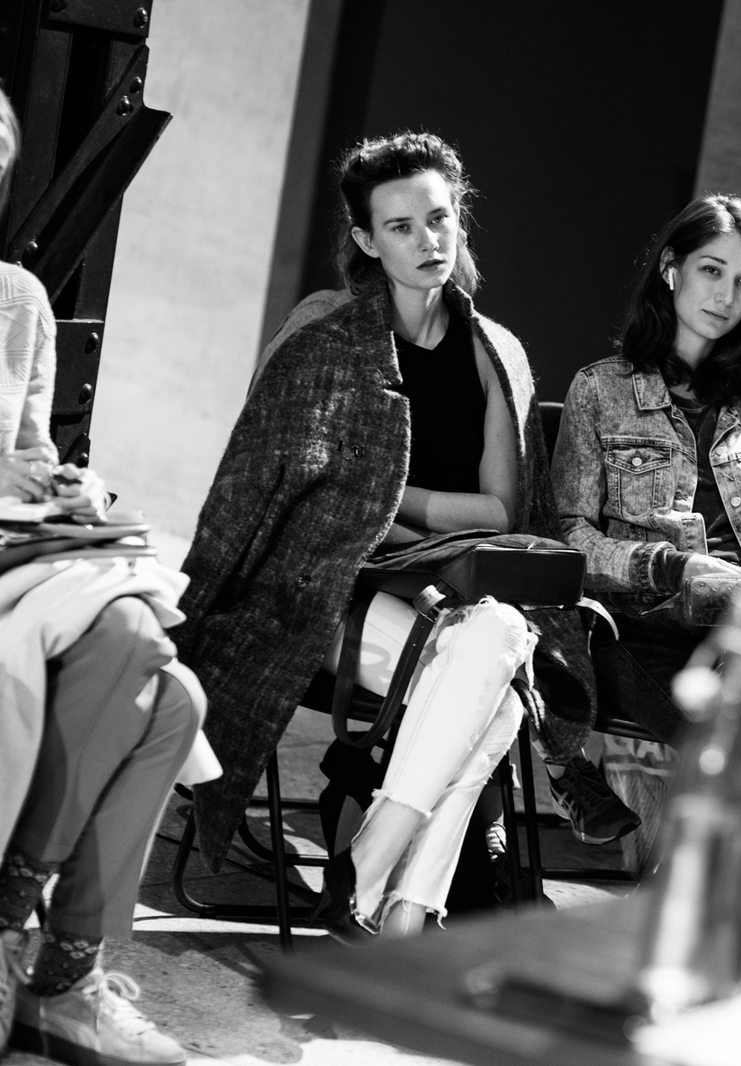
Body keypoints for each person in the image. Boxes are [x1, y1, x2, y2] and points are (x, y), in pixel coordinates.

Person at [175, 131, 608, 940]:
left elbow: (502, 513)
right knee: (503, 673)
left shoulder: (497, 354)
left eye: (439, 219)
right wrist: (391, 508)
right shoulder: (327, 342)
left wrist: (382, 497)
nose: (426, 241)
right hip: (324, 594)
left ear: (460, 221)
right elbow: (272, 494)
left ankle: (373, 885)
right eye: (401, 227)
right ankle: (397, 900)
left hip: (453, 596)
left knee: (498, 645)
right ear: (368, 241)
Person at [1, 88, 202, 1066]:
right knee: (150, 669)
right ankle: (21, 938)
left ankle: (58, 977)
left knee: (176, 695)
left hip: (14, 549)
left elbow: (28, 455)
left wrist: (64, 484)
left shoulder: (17, 301)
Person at [550, 194, 741, 847]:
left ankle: (689, 892)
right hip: (639, 632)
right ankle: (728, 898)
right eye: (712, 271)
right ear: (671, 269)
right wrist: (667, 566)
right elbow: (569, 535)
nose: (727, 296)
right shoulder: (602, 390)